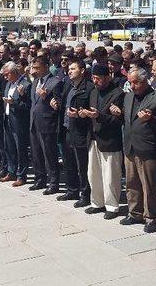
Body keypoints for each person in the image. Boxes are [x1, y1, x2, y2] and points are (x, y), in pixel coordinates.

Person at [115, 67, 156, 233]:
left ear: (145, 81)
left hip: (148, 148)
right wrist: (118, 114)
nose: (132, 86)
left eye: (136, 82)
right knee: (131, 183)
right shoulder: (128, 96)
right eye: (130, 82)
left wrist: (151, 118)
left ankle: (151, 216)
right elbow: (128, 119)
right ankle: (134, 212)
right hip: (130, 146)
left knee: (149, 185)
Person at [83, 64, 124, 219]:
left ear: (107, 77)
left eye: (98, 78)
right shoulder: (93, 92)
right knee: (93, 173)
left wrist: (98, 116)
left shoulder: (118, 93)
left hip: (110, 140)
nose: (95, 81)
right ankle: (97, 202)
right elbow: (91, 112)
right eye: (93, 78)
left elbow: (117, 119)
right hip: (93, 138)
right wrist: (82, 114)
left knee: (110, 175)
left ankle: (112, 206)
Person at [56, 59, 94, 205]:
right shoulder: (68, 85)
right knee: (68, 162)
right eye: (69, 69)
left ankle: (85, 194)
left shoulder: (89, 88)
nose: (69, 71)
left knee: (82, 165)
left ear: (82, 70)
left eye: (73, 69)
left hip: (81, 131)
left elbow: (92, 112)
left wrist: (79, 114)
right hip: (66, 128)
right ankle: (71, 190)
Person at [29, 56, 64, 194]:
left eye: (37, 68)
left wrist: (48, 98)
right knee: (36, 153)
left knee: (49, 154)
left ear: (46, 66)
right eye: (34, 68)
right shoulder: (36, 81)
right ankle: (40, 179)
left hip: (47, 123)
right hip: (34, 122)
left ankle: (54, 182)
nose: (35, 70)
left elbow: (58, 104)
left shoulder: (55, 82)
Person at [0, 61, 31, 186]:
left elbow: (28, 105)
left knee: (20, 149)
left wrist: (15, 102)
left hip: (19, 121)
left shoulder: (25, 85)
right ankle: (11, 171)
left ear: (13, 72)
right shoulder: (8, 84)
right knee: (9, 147)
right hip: (7, 119)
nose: (5, 77)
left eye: (7, 74)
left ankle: (21, 175)